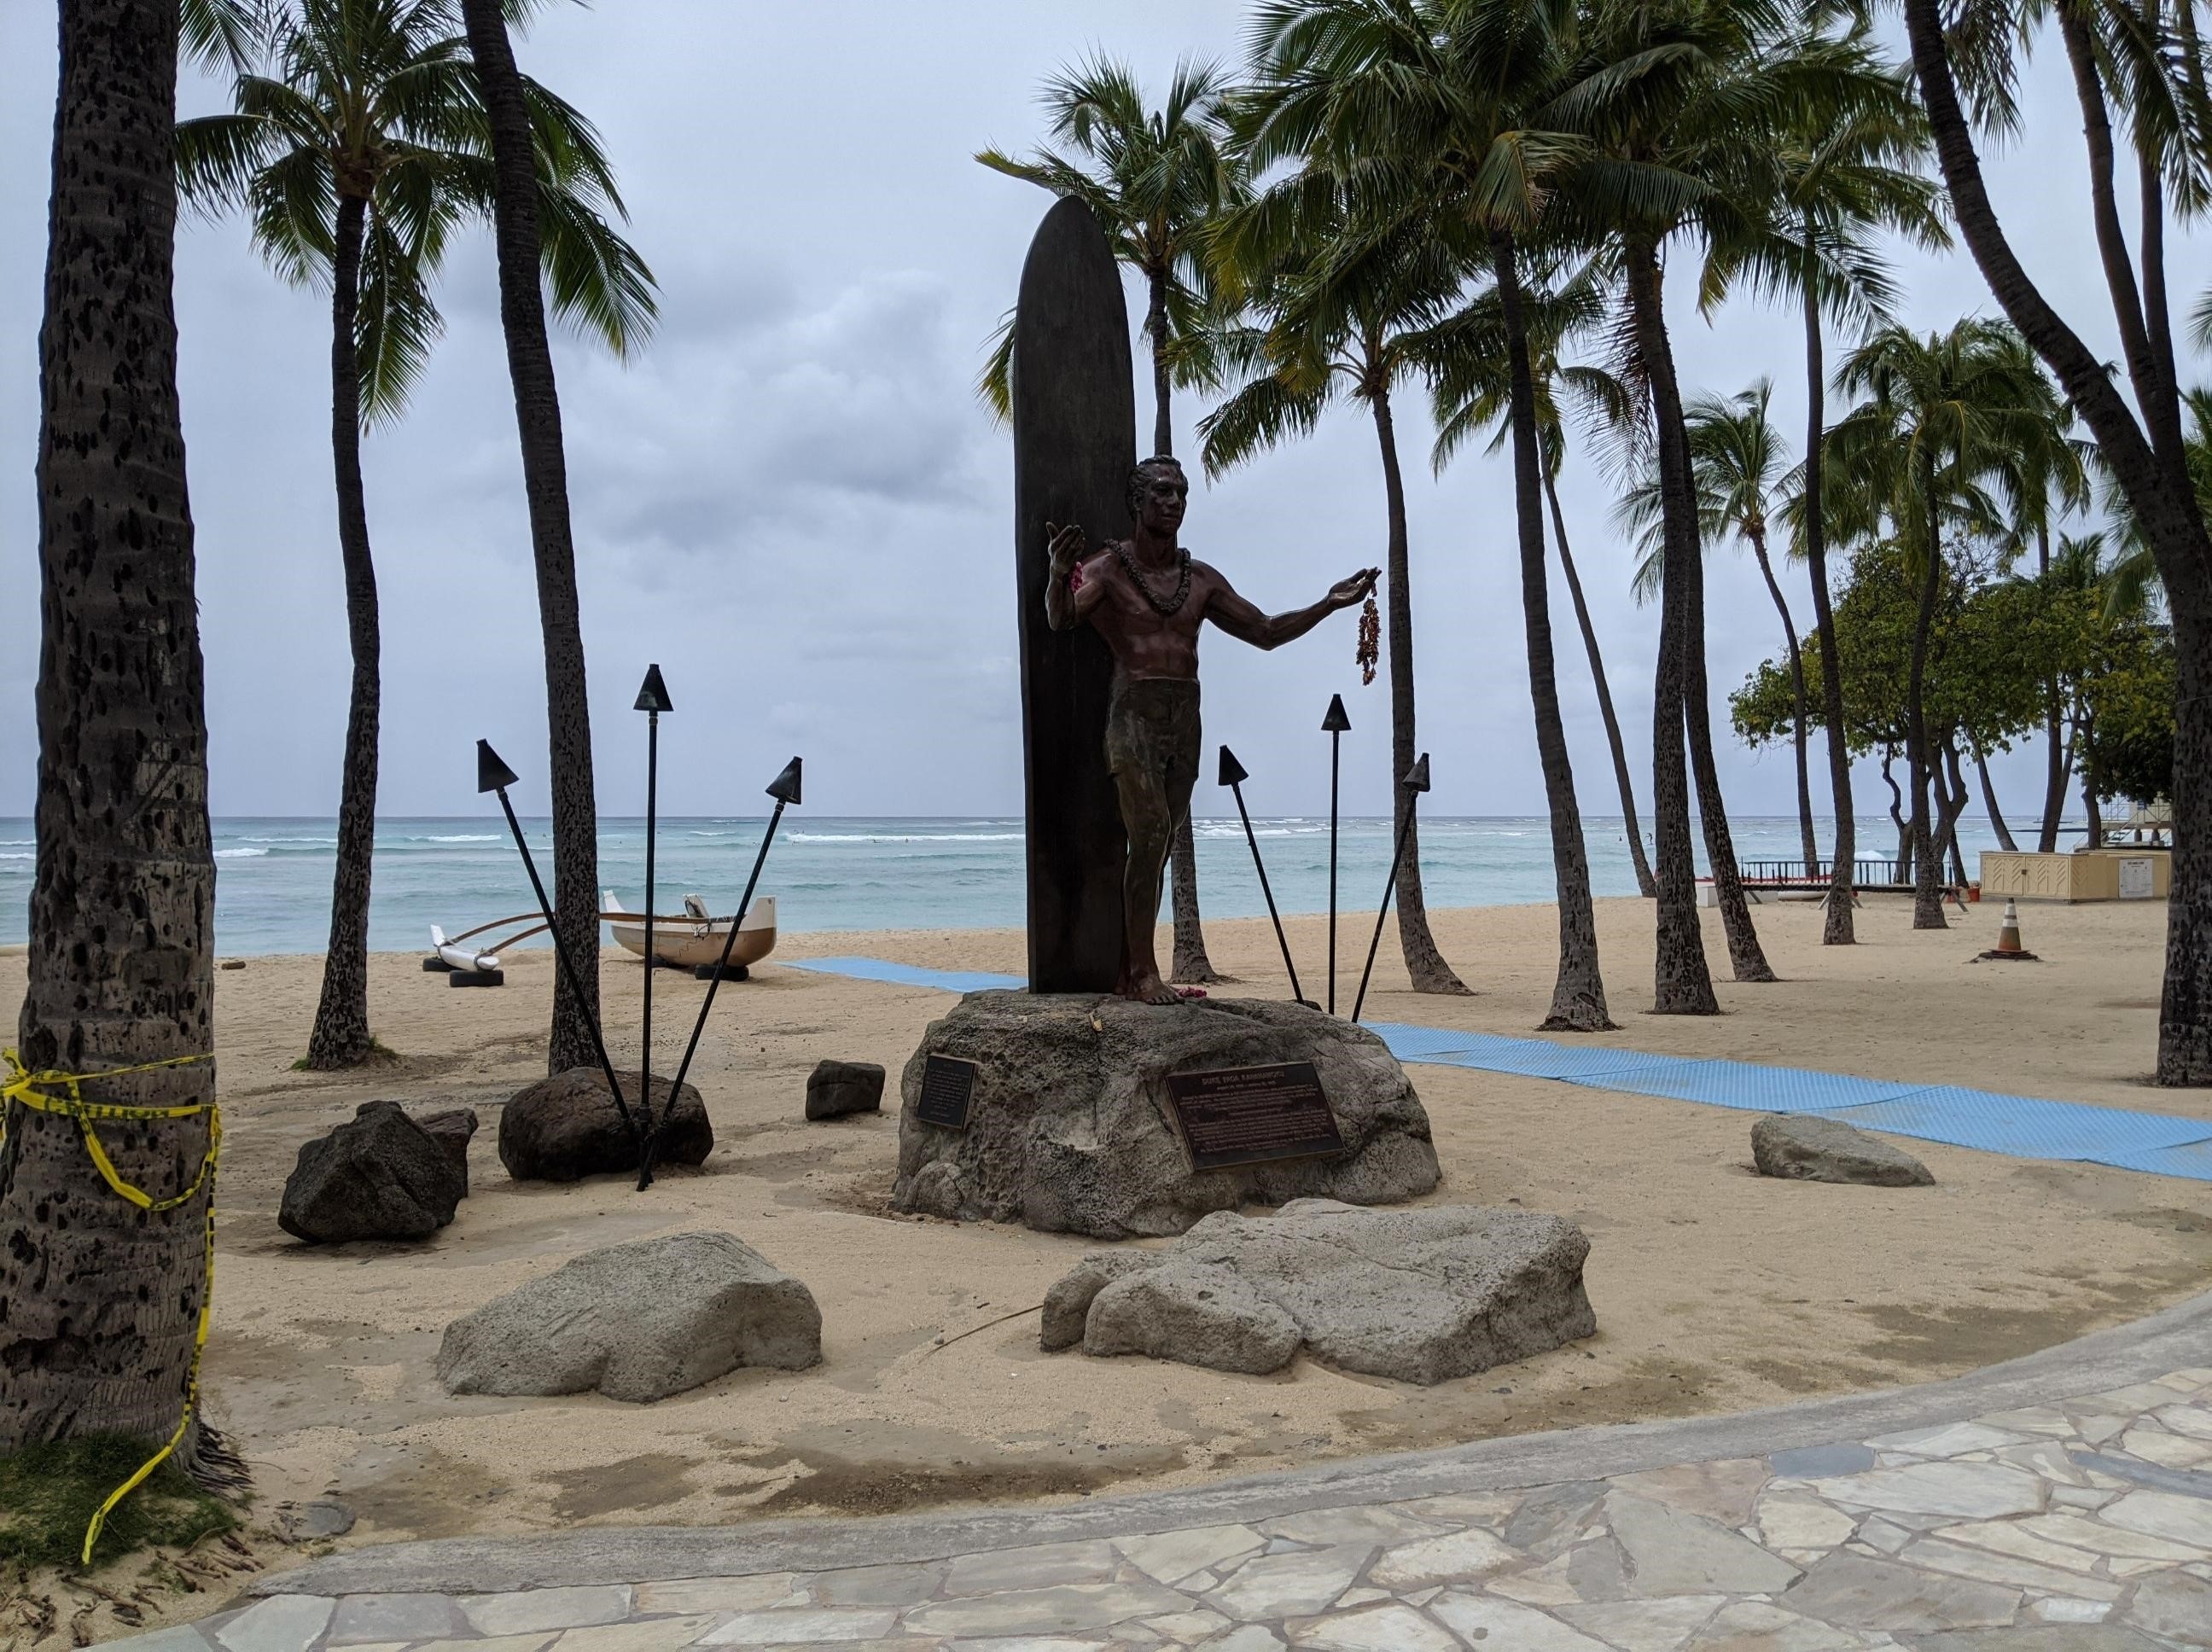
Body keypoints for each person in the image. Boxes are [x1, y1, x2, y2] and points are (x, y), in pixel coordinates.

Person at [1045, 455, 1377, 1003]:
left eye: (1180, 493)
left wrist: (1328, 604)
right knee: (1148, 835)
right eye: (1161, 492)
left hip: (1185, 715)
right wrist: (1059, 577)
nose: (1173, 502)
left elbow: (1265, 631)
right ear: (1137, 502)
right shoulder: (1107, 569)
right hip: (1133, 712)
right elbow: (1063, 620)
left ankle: (1133, 972)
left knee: (1160, 842)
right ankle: (1144, 973)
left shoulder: (1198, 580)